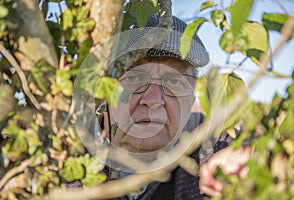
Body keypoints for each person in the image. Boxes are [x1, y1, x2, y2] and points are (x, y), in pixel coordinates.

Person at [92, 13, 252, 199]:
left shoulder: (214, 147)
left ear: (193, 98)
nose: (154, 100)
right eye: (133, 78)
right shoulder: (62, 152)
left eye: (174, 81)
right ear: (101, 91)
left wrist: (259, 163)